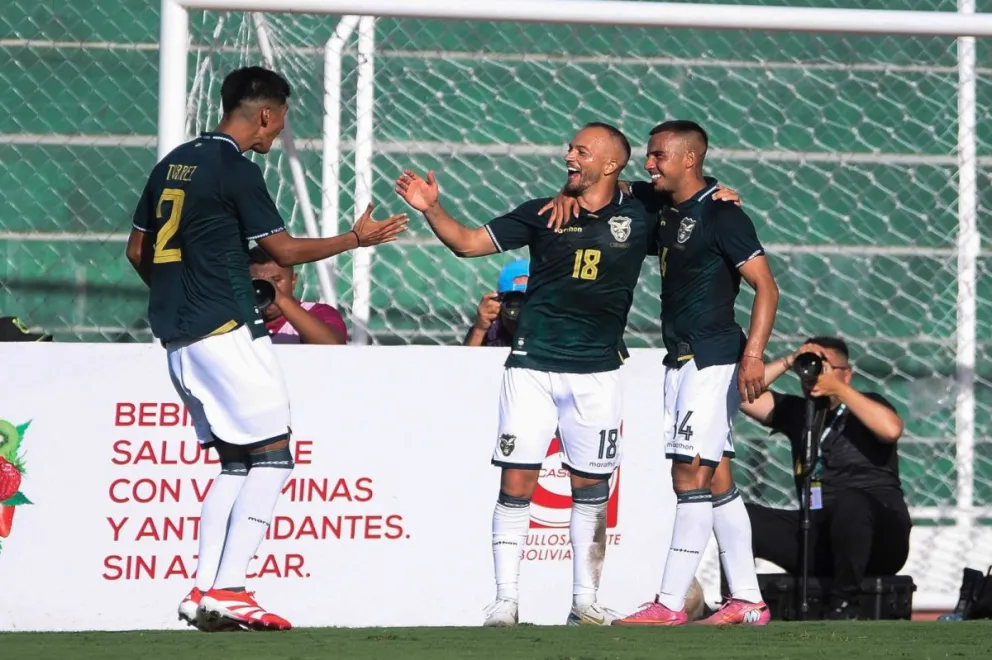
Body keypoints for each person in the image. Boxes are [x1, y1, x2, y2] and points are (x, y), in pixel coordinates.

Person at [125, 66, 406, 632]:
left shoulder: (172, 163)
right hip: (226, 331)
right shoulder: (235, 168)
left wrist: (183, 298)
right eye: (279, 123)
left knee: (235, 461)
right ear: (266, 115)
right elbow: (284, 251)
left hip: (178, 336)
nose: (277, 133)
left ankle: (202, 589)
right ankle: (230, 589)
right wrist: (356, 238)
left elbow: (137, 251)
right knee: (274, 457)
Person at [396, 122, 656, 627]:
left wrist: (717, 193)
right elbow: (468, 243)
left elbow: (685, 199)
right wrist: (431, 208)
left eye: (582, 151)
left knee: (592, 489)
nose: (569, 156)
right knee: (516, 482)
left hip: (598, 371)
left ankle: (585, 603)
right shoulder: (544, 212)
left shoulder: (643, 212)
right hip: (533, 366)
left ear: (611, 164)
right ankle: (505, 601)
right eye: (570, 148)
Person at [542, 120, 778, 626]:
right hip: (682, 358)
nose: (649, 164)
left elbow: (766, 286)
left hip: (713, 357)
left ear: (690, 159)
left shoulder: (724, 215)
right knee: (717, 479)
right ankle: (748, 599)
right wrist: (567, 191)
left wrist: (754, 356)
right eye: (647, 156)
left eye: (658, 156)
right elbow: (604, 186)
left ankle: (670, 604)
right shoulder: (661, 205)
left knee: (688, 475)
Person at [740, 336, 911, 620]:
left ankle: (844, 606)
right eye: (809, 365)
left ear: (847, 373)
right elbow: (741, 395)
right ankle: (740, 600)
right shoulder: (799, 412)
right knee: (740, 517)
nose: (815, 372)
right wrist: (789, 360)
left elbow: (891, 429)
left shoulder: (868, 404)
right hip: (820, 537)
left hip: (880, 541)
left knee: (851, 503)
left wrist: (840, 389)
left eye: (825, 366)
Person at [248, 246, 349, 344]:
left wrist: (280, 300)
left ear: (293, 280)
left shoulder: (317, 312)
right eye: (257, 282)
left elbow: (333, 345)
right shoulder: (241, 318)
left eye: (276, 280)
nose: (265, 288)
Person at [464, 258, 529, 347]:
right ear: (499, 301)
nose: (523, 309)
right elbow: (468, 355)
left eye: (531, 298)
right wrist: (480, 329)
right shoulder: (492, 328)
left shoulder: (548, 325)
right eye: (516, 300)